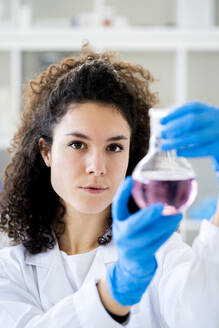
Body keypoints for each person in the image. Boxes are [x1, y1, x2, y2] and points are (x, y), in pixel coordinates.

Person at [0, 43, 219, 328]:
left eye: (114, 147)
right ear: (46, 151)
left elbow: (205, 317)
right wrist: (116, 291)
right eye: (77, 144)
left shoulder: (161, 254)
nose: (97, 166)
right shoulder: (9, 269)